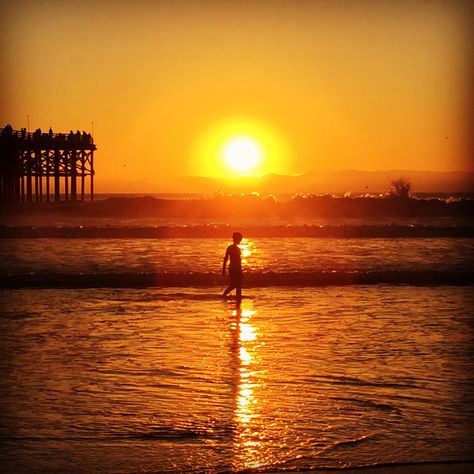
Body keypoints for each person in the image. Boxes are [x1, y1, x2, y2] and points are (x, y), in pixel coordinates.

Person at [222, 232, 243, 300]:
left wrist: (224, 269)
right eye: (240, 239)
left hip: (235, 268)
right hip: (234, 269)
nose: (240, 241)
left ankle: (238, 297)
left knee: (238, 285)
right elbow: (226, 259)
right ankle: (224, 294)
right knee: (235, 284)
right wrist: (223, 269)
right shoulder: (232, 248)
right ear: (236, 239)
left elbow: (238, 261)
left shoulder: (234, 248)